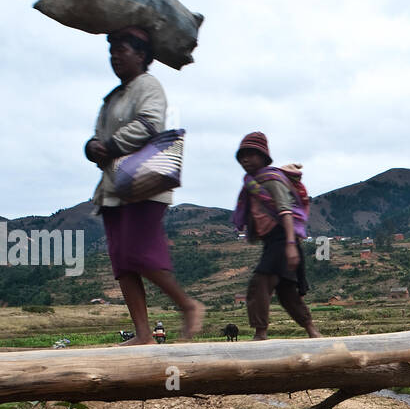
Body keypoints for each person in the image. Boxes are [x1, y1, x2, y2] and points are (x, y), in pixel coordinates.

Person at [84, 26, 204, 345]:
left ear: (141, 55)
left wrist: (108, 146)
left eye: (121, 50)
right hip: (114, 188)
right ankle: (143, 334)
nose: (114, 57)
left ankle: (188, 305)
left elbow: (150, 124)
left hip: (144, 183)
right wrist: (92, 147)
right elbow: (98, 138)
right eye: (111, 52)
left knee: (140, 253)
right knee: (123, 262)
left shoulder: (148, 86)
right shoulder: (112, 98)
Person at [230, 132, 321, 340]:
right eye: (242, 155)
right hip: (275, 242)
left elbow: (285, 212)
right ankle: (313, 332)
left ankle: (260, 333)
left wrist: (290, 244)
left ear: (263, 158)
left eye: (252, 154)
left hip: (282, 240)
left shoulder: (272, 181)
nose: (246, 159)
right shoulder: (253, 183)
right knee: (287, 292)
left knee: (259, 283)